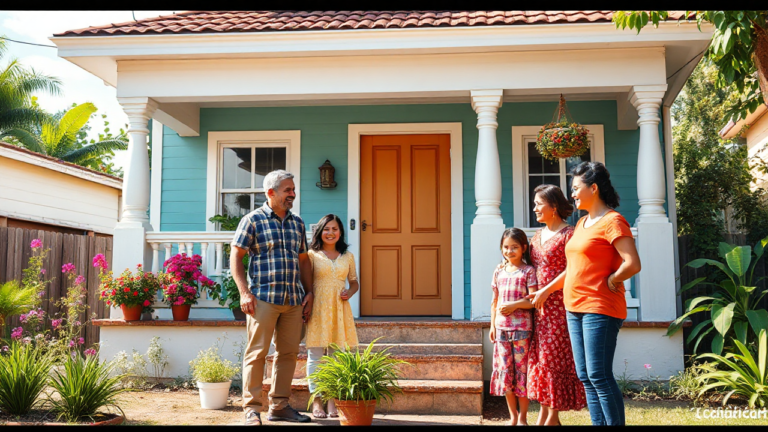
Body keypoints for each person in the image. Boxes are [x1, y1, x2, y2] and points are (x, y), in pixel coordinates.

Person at [230, 169, 314, 426]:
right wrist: (244, 292)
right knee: (257, 353)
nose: (293, 194)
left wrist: (309, 292)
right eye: (288, 189)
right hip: (263, 298)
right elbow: (236, 256)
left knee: (288, 354)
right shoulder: (252, 220)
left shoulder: (297, 223)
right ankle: (252, 410)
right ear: (271, 192)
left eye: (293, 189)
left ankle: (279, 406)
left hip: (292, 300)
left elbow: (303, 260)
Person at [563, 162, 641, 426]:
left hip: (600, 307)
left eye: (575, 188)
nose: (571, 193)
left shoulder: (613, 221)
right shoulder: (583, 222)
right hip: (574, 307)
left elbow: (632, 262)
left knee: (599, 375)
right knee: (585, 375)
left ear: (593, 188)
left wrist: (613, 278)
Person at [525, 184, 587, 426]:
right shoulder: (537, 236)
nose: (535, 208)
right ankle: (547, 416)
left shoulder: (569, 235)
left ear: (553, 207)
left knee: (553, 359)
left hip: (559, 306)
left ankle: (551, 418)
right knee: (541, 359)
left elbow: (573, 269)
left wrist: (546, 290)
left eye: (539, 203)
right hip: (538, 309)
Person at [304, 214, 360, 418]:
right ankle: (317, 401)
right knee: (316, 356)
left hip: (340, 308)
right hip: (318, 307)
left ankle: (333, 401)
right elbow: (306, 281)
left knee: (337, 356)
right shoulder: (312, 255)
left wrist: (350, 292)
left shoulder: (348, 256)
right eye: (326, 229)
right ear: (320, 231)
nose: (330, 233)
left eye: (335, 229)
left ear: (341, 232)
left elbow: (354, 282)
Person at [489, 228, 537, 426]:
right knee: (506, 373)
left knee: (521, 374)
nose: (510, 251)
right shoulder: (498, 270)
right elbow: (494, 301)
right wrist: (492, 326)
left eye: (514, 247)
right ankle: (513, 417)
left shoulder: (528, 271)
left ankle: (524, 418)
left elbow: (533, 301)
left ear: (523, 248)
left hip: (522, 330)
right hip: (501, 331)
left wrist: (514, 305)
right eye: (506, 247)